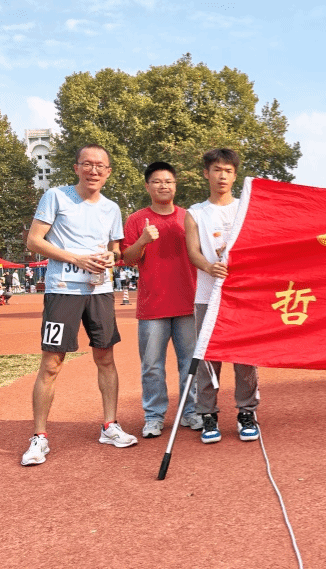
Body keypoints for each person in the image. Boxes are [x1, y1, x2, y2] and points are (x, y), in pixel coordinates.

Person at [21, 143, 137, 466]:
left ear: (108, 172)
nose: (93, 170)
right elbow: (34, 241)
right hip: (62, 290)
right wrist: (76, 259)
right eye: (87, 164)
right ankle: (39, 437)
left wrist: (110, 257)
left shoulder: (112, 208)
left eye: (100, 166)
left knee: (105, 357)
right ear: (76, 168)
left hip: (100, 291)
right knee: (52, 362)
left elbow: (116, 250)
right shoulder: (56, 197)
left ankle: (110, 425)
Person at [122, 161, 202, 438]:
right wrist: (143, 240)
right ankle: (154, 416)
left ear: (175, 186)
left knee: (190, 364)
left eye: (168, 181)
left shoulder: (189, 217)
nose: (163, 185)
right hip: (153, 305)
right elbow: (127, 258)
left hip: (188, 302)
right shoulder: (136, 220)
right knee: (152, 366)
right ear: (147, 186)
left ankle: (190, 412)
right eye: (157, 181)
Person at [185, 148, 260, 444]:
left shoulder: (246, 209)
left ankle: (246, 412)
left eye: (228, 171)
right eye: (217, 170)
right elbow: (193, 252)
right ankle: (208, 414)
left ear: (235, 175)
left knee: (245, 357)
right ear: (207, 173)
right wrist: (209, 267)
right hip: (208, 296)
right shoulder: (195, 213)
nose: (222, 176)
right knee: (208, 357)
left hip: (243, 297)